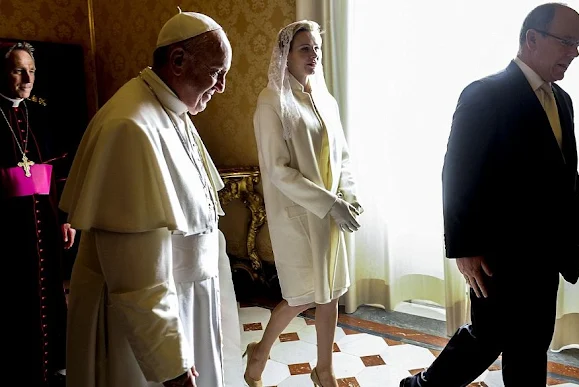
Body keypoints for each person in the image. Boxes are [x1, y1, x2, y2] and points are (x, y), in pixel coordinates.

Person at [400, 3, 579, 386]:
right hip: (497, 254)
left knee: (533, 342)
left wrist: (575, 235)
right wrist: (463, 248)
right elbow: (457, 174)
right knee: (488, 338)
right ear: (531, 39)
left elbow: (568, 176)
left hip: (547, 251)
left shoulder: (562, 100)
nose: (573, 54)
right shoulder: (486, 94)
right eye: (566, 42)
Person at [59, 10, 240, 387]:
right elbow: (136, 278)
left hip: (188, 301)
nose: (222, 87)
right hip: (147, 328)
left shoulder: (171, 109)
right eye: (216, 72)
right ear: (177, 61)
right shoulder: (130, 126)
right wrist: (171, 363)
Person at [248, 20, 363, 387]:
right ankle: (261, 350)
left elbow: (342, 155)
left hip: (332, 214)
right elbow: (278, 170)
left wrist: (350, 196)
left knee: (329, 293)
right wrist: (329, 203)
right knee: (301, 295)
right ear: (286, 54)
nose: (313, 55)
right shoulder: (272, 102)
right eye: (305, 49)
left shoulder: (325, 98)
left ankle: (324, 369)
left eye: (316, 48)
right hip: (300, 215)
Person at [0, 40, 76, 387]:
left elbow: (59, 175)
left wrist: (65, 218)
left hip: (44, 224)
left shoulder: (40, 115)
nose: (27, 78)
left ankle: (53, 367)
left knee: (49, 294)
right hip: (9, 230)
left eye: (31, 70)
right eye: (19, 69)